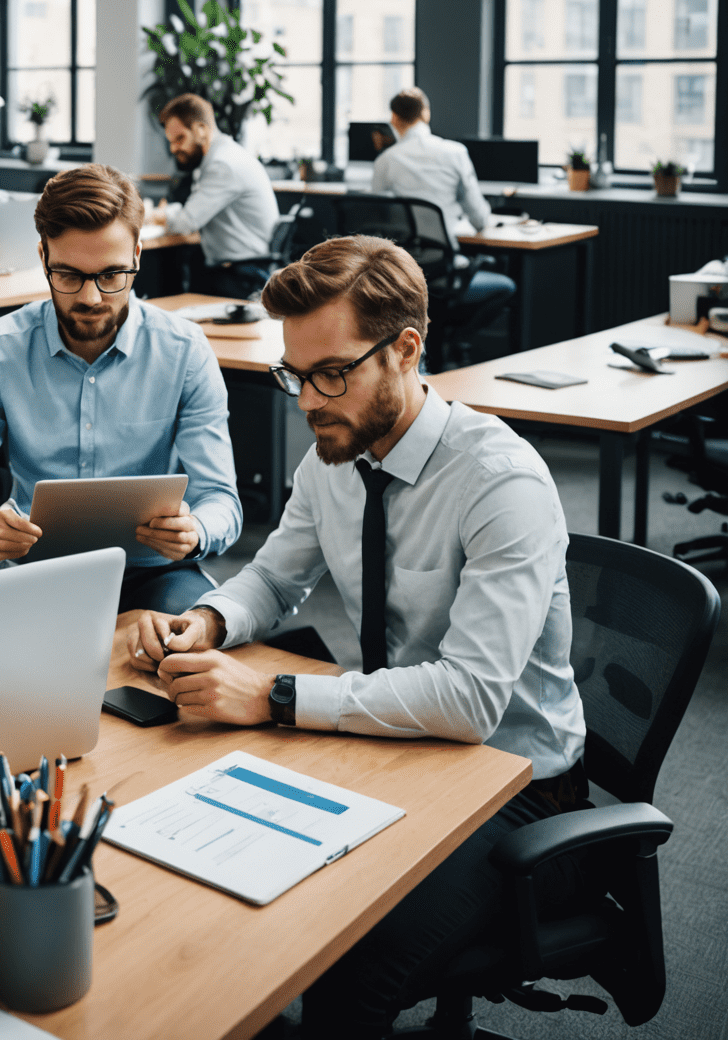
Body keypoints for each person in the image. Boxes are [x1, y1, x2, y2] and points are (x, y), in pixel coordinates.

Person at [127, 236, 587, 1037]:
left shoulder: (499, 482)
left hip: (515, 790)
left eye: (331, 373)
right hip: (396, 748)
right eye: (294, 375)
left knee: (345, 965)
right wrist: (205, 620)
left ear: (406, 350)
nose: (307, 401)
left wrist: (270, 695)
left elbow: (472, 700)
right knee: (222, 900)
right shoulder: (333, 457)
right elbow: (274, 579)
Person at [0, 164, 244, 615]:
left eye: (111, 276)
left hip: (148, 567)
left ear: (138, 256)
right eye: (69, 275)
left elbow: (222, 499)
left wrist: (195, 530)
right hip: (28, 562)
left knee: (189, 638)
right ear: (43, 257)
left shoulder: (183, 351)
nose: (90, 298)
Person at [371, 85, 515, 357]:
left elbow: (380, 220)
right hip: (444, 272)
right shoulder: (455, 153)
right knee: (505, 286)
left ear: (394, 119)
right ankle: (455, 340)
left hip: (401, 276)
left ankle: (434, 344)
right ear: (425, 114)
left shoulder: (385, 161)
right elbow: (480, 218)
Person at [149, 93, 279, 299]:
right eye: (171, 141)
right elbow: (193, 211)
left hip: (243, 277)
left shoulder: (222, 164)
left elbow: (186, 222)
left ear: (201, 129)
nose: (174, 149)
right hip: (240, 270)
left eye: (180, 138)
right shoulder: (221, 157)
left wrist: (157, 215)